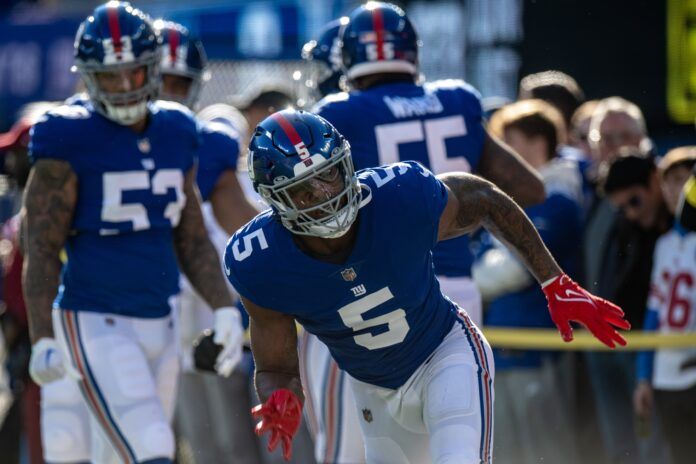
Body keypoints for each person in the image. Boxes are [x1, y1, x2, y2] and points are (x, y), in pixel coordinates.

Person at [225, 109, 629, 463]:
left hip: (443, 354)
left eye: (328, 175)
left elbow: (485, 197)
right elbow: (276, 367)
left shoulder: (397, 198)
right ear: (274, 200)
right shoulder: (260, 261)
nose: (325, 195)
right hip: (373, 387)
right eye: (302, 190)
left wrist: (553, 280)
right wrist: (279, 394)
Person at [309, 4, 545, 462]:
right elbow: (528, 188)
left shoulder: (341, 112)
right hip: (460, 299)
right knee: (451, 445)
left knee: (351, 451)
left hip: (376, 300)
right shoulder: (457, 99)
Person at [23, 3, 244, 463]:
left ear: (152, 70)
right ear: (88, 75)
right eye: (110, 76)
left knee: (116, 453)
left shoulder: (177, 129)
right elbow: (40, 246)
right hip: (93, 317)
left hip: (159, 318)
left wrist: (223, 307)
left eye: (133, 73)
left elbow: (189, 234)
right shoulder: (68, 135)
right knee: (151, 447)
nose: (124, 87)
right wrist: (42, 334)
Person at [155, 19, 262, 464]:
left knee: (220, 443)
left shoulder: (207, 143)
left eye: (180, 83)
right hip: (121, 303)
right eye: (162, 80)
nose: (169, 92)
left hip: (195, 300)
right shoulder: (84, 139)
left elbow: (247, 224)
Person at [477, 99, 582, 463]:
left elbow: (514, 270)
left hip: (537, 350)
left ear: (538, 145)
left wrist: (456, 284)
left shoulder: (558, 201)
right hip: (507, 349)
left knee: (545, 452)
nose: (501, 158)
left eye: (511, 145)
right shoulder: (523, 200)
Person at [633, 147, 696, 464]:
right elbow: (654, 314)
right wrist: (644, 376)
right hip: (668, 373)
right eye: (671, 183)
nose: (678, 191)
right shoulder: (665, 243)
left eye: (686, 182)